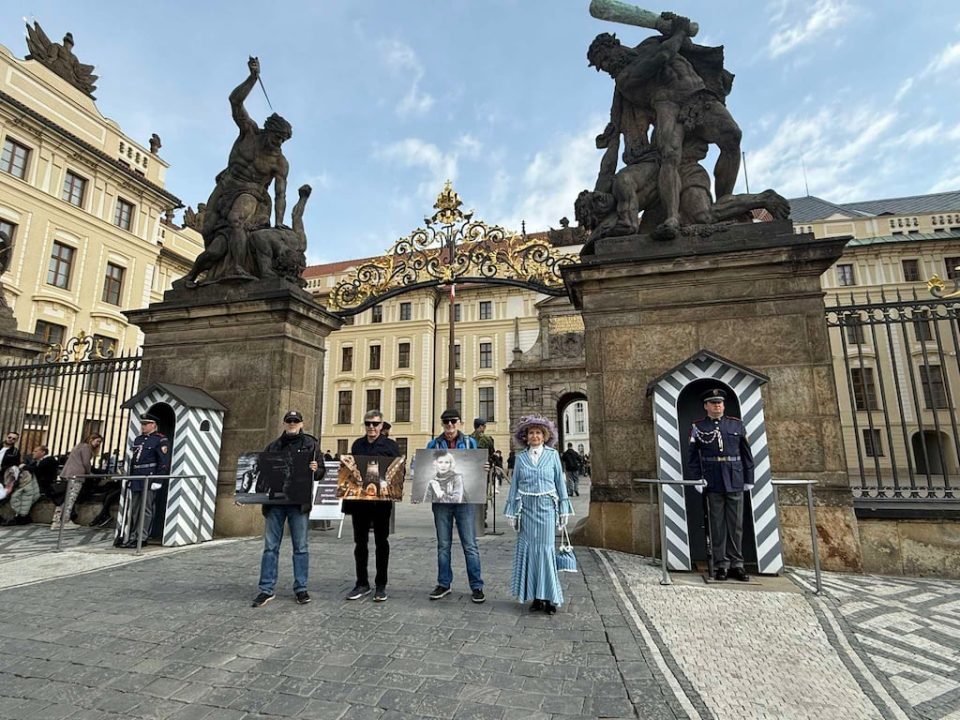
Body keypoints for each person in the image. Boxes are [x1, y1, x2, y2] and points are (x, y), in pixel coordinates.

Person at [587, 14, 741, 240]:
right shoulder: (625, 79)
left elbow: (685, 46)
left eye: (606, 60)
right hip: (668, 105)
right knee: (670, 155)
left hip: (699, 96)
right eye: (602, 66)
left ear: (616, 47)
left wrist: (670, 26)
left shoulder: (649, 43)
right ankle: (671, 217)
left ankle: (725, 199)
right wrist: (678, 32)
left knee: (733, 137)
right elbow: (662, 56)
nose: (607, 67)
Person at [184, 57, 292, 286]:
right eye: (277, 137)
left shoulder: (279, 162)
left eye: (283, 140)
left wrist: (279, 222)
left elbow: (280, 194)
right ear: (268, 130)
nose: (279, 142)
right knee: (208, 231)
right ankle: (196, 276)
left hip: (252, 193)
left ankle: (238, 267)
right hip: (225, 186)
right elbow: (235, 101)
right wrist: (252, 78)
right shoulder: (249, 132)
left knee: (236, 220)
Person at [504, 415, 574, 615]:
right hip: (526, 510)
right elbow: (514, 485)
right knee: (530, 552)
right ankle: (536, 596)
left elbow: (560, 483)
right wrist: (511, 511)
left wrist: (564, 508)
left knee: (545, 551)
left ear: (545, 436)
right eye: (531, 433)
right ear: (525, 437)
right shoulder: (521, 458)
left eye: (538, 433)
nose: (534, 436)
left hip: (546, 509)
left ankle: (549, 597)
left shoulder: (552, 455)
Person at [251, 410, 320, 607]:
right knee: (270, 547)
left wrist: (316, 469)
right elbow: (262, 472)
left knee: (301, 547)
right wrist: (247, 496)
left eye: (295, 421)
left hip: (298, 504)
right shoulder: (273, 446)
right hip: (276, 504)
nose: (292, 423)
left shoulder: (311, 445)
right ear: (284, 423)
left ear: (301, 423)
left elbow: (320, 473)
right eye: (289, 420)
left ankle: (301, 588)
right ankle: (266, 589)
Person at [687, 388, 755, 582]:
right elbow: (693, 457)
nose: (717, 405)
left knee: (736, 525)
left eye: (720, 402)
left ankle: (737, 564)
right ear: (706, 406)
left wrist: (749, 478)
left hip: (735, 478)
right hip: (713, 478)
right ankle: (721, 564)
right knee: (717, 525)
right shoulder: (698, 427)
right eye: (713, 402)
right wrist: (697, 478)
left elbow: (746, 454)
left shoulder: (736, 424)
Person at [425, 409, 484, 603]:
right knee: (443, 545)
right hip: (441, 502)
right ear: (442, 423)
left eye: (453, 421)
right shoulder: (433, 444)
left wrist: (484, 467)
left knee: (470, 544)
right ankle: (444, 583)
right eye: (446, 421)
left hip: (464, 500)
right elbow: (424, 468)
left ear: (459, 422)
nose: (449, 425)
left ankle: (477, 586)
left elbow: (477, 466)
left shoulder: (469, 442)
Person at [345, 409, 400, 603]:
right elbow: (351, 471)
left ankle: (381, 584)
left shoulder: (391, 446)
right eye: (368, 423)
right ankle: (362, 583)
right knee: (360, 543)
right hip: (360, 502)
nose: (371, 427)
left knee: (381, 542)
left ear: (381, 425)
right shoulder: (357, 444)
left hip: (381, 502)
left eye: (375, 424)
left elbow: (397, 471)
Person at [119, 414, 169, 548]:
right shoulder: (138, 439)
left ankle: (142, 537)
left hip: (149, 477)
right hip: (137, 477)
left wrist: (158, 479)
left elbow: (163, 462)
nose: (143, 426)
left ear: (154, 425)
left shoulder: (160, 439)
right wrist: (130, 477)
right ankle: (133, 536)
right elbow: (134, 461)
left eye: (146, 424)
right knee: (135, 509)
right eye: (142, 424)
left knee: (146, 509)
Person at [52, 433, 103, 530]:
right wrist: (89, 473)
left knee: (64, 498)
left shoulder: (79, 446)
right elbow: (86, 463)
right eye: (98, 441)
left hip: (68, 474)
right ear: (91, 439)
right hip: (76, 475)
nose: (98, 444)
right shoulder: (86, 448)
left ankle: (57, 520)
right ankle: (65, 520)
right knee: (71, 498)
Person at [3, 445, 57, 525]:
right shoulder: (37, 461)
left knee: (27, 494)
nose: (33, 453)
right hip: (35, 484)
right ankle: (22, 516)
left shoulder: (49, 460)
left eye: (35, 451)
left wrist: (24, 466)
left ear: (43, 452)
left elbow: (36, 470)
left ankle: (22, 516)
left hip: (44, 486)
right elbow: (31, 467)